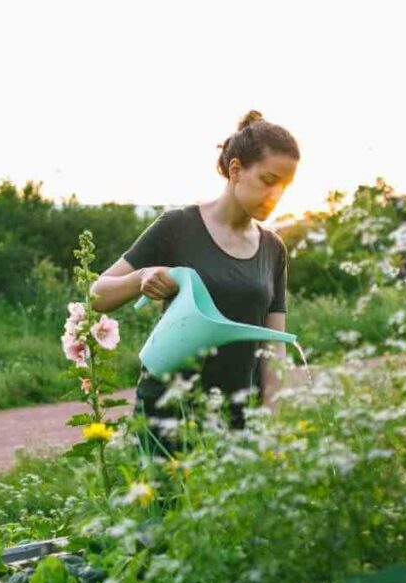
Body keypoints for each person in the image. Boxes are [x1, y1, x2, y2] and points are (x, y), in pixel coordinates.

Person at [89, 110, 299, 454]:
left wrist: (270, 427)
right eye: (267, 180)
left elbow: (273, 347)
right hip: (169, 415)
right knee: (165, 507)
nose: (275, 194)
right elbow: (94, 294)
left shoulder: (273, 248)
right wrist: (141, 277)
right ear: (235, 170)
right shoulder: (178, 227)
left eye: (284, 186)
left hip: (238, 421)